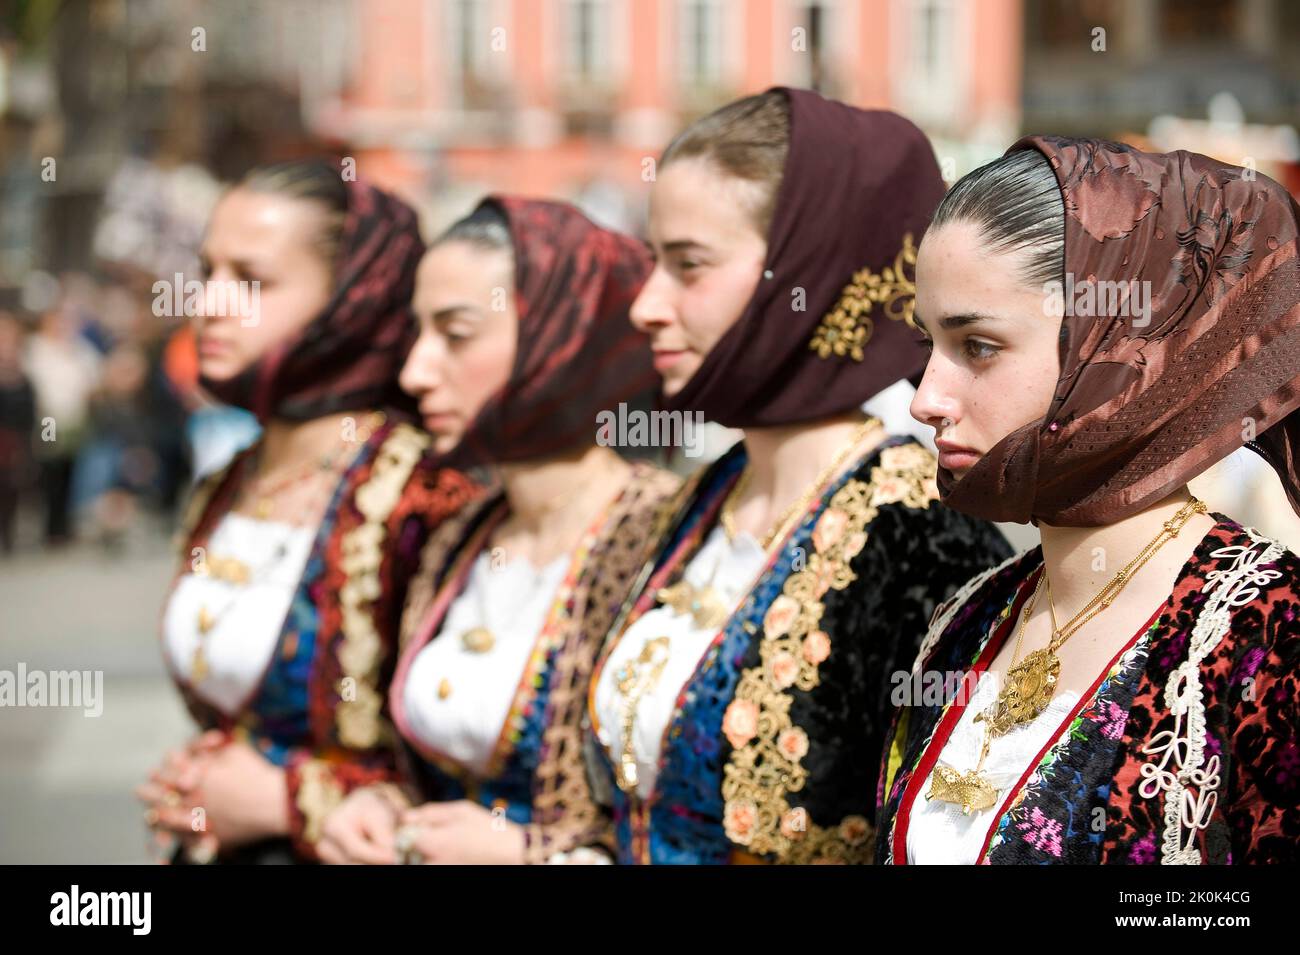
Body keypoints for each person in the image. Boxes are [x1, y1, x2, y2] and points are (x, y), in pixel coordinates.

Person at [583, 88, 1014, 864]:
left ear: (805, 272)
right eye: (653, 261)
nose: (646, 304)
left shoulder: (920, 537)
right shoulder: (710, 492)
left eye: (689, 265)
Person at [877, 137, 1300, 864]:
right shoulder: (967, 617)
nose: (925, 399)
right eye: (929, 345)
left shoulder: (1269, 640)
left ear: (1118, 348)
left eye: (977, 345)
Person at [316, 197, 679, 864]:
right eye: (416, 335)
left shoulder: (668, 539)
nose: (415, 371)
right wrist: (382, 803)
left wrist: (528, 854)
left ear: (557, 335)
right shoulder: (462, 531)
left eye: (455, 335)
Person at [136, 160, 478, 864]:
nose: (210, 302)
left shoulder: (421, 493)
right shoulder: (237, 474)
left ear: (351, 297)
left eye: (252, 281)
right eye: (208, 272)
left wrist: (283, 798)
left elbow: (474, 762)